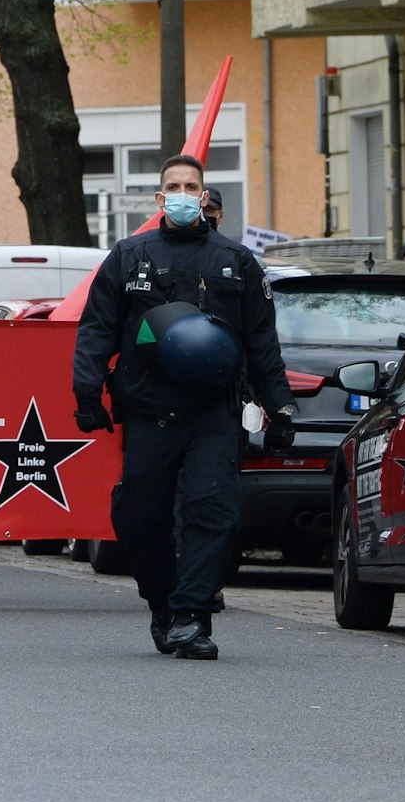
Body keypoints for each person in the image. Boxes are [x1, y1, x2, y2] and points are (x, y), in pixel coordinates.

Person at [71, 153, 292, 661]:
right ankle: (162, 601)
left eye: (191, 186)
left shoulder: (236, 261)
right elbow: (97, 329)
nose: (183, 194)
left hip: (212, 410)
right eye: (174, 185)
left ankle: (192, 614)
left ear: (204, 195)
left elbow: (261, 342)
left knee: (210, 508)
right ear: (159, 198)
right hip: (150, 408)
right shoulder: (129, 256)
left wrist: (279, 409)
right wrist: (86, 395)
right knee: (139, 514)